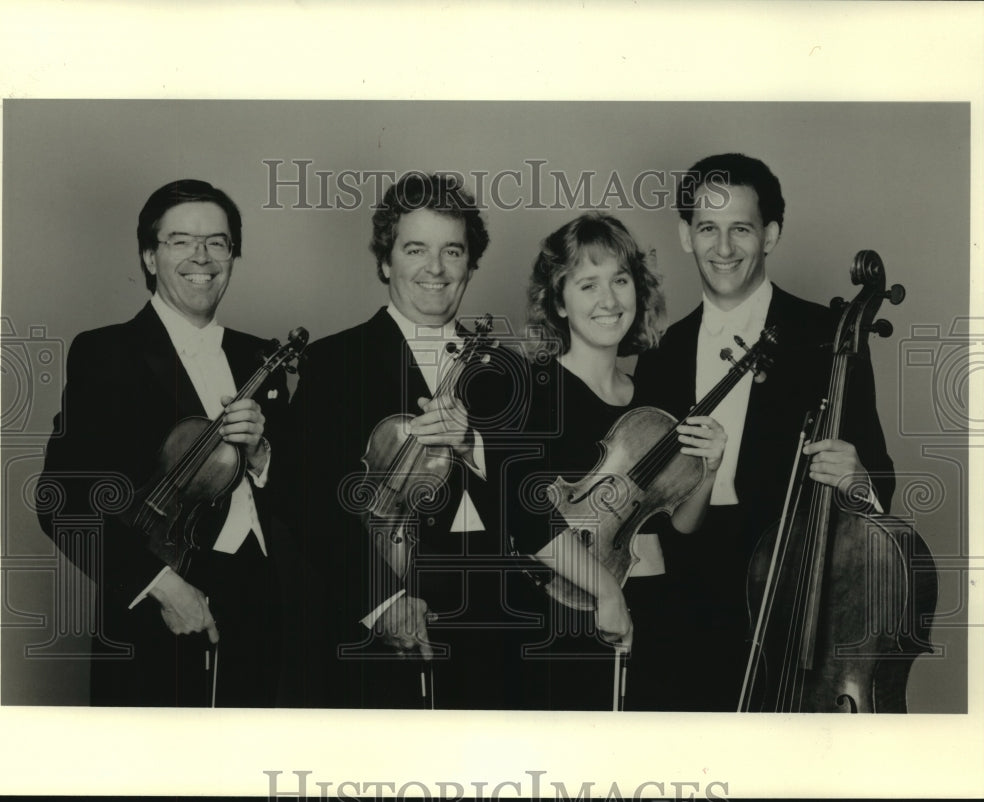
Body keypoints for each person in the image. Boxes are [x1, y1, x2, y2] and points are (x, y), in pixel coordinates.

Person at [633, 153, 895, 711]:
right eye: (707, 228)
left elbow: (879, 481)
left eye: (741, 229)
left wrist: (857, 478)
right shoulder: (661, 355)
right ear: (686, 235)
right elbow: (647, 504)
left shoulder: (827, 336)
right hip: (685, 603)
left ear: (770, 234)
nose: (723, 248)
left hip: (791, 593)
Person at [38, 179, 289, 706]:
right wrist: (164, 587)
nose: (202, 256)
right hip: (160, 610)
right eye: (180, 240)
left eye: (217, 242)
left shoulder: (262, 357)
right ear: (150, 257)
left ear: (232, 256)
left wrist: (262, 456)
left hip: (267, 610)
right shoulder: (106, 353)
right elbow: (60, 499)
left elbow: (296, 497)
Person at [289, 171, 528, 708]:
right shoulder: (333, 362)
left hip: (499, 628)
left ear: (471, 263)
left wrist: (473, 445)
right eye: (416, 249)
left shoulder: (507, 367)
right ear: (385, 260)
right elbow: (307, 502)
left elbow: (534, 498)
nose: (436, 269)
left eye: (453, 251)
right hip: (386, 617)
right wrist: (385, 600)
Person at [495, 213, 727, 710]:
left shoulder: (655, 397)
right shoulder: (531, 392)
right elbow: (526, 521)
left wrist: (708, 471)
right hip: (570, 608)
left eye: (621, 280)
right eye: (588, 284)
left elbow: (679, 524)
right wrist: (607, 594)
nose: (609, 300)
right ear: (559, 301)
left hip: (660, 604)